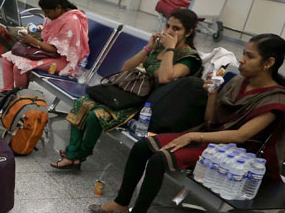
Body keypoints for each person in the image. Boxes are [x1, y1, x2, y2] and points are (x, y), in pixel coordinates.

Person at [91, 34, 285, 213]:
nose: (241, 60)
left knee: (159, 159)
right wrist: (212, 95)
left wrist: (193, 136)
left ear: (268, 63)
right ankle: (121, 203)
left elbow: (242, 136)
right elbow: (211, 121)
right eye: (243, 54)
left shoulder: (276, 99)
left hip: (232, 155)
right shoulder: (240, 82)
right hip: (210, 137)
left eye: (250, 56)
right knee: (142, 146)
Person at [54, 9, 202, 169]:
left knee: (95, 116)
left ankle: (78, 155)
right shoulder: (159, 47)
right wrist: (148, 48)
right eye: (168, 26)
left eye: (176, 29)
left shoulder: (190, 58)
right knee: (81, 103)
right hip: (129, 91)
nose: (169, 32)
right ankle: (73, 154)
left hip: (147, 102)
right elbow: (126, 68)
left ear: (189, 32)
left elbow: (164, 78)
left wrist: (170, 50)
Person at [0, 0, 89, 89]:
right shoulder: (56, 15)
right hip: (47, 52)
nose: (46, 16)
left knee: (20, 67)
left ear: (58, 8)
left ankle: (21, 98)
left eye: (48, 12)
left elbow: (56, 49)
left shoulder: (71, 21)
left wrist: (33, 41)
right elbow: (49, 36)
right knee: (6, 59)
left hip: (63, 60)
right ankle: (7, 93)